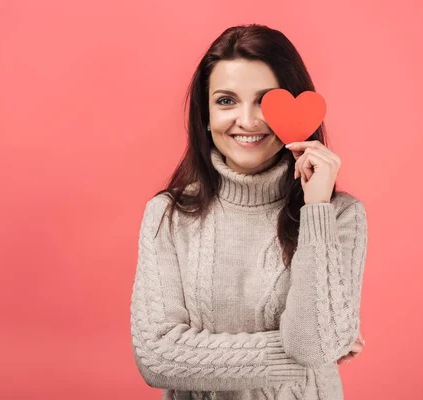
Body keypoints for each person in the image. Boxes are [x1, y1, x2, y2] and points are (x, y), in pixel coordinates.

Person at [130, 23, 368, 400]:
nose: (248, 120)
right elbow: (157, 358)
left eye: (265, 100)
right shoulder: (168, 215)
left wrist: (315, 209)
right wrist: (306, 352)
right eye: (226, 100)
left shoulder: (338, 215)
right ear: (205, 115)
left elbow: (312, 345)